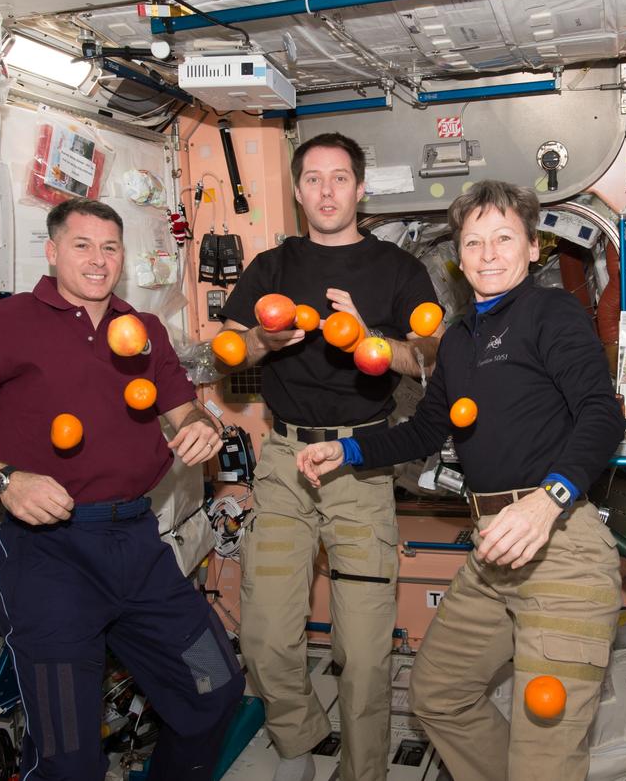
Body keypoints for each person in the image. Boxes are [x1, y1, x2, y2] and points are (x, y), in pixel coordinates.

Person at [296, 180, 625, 781]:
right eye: (474, 242)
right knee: (438, 695)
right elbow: (424, 431)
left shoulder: (552, 314)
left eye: (504, 238)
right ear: (459, 258)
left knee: (545, 757)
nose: (489, 253)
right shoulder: (458, 341)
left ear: (533, 247)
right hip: (493, 550)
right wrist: (344, 448)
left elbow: (603, 415)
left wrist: (546, 502)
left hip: (562, 548)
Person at [0, 198, 243, 780]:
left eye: (110, 247)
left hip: (137, 545)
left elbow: (188, 413)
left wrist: (202, 432)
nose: (98, 260)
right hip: (49, 556)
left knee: (214, 685)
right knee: (67, 753)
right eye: (82, 245)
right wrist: (2, 478)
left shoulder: (142, 331)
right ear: (52, 250)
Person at [217, 132, 441, 781]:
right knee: (262, 631)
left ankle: (363, 769)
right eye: (312, 178)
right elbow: (231, 349)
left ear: (360, 187)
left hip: (359, 460)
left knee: (365, 646)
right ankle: (300, 736)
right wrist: (262, 338)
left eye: (338, 177)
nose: (325, 190)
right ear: (295, 190)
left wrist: (372, 341)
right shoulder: (271, 267)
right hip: (285, 458)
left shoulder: (397, 270)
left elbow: (427, 358)